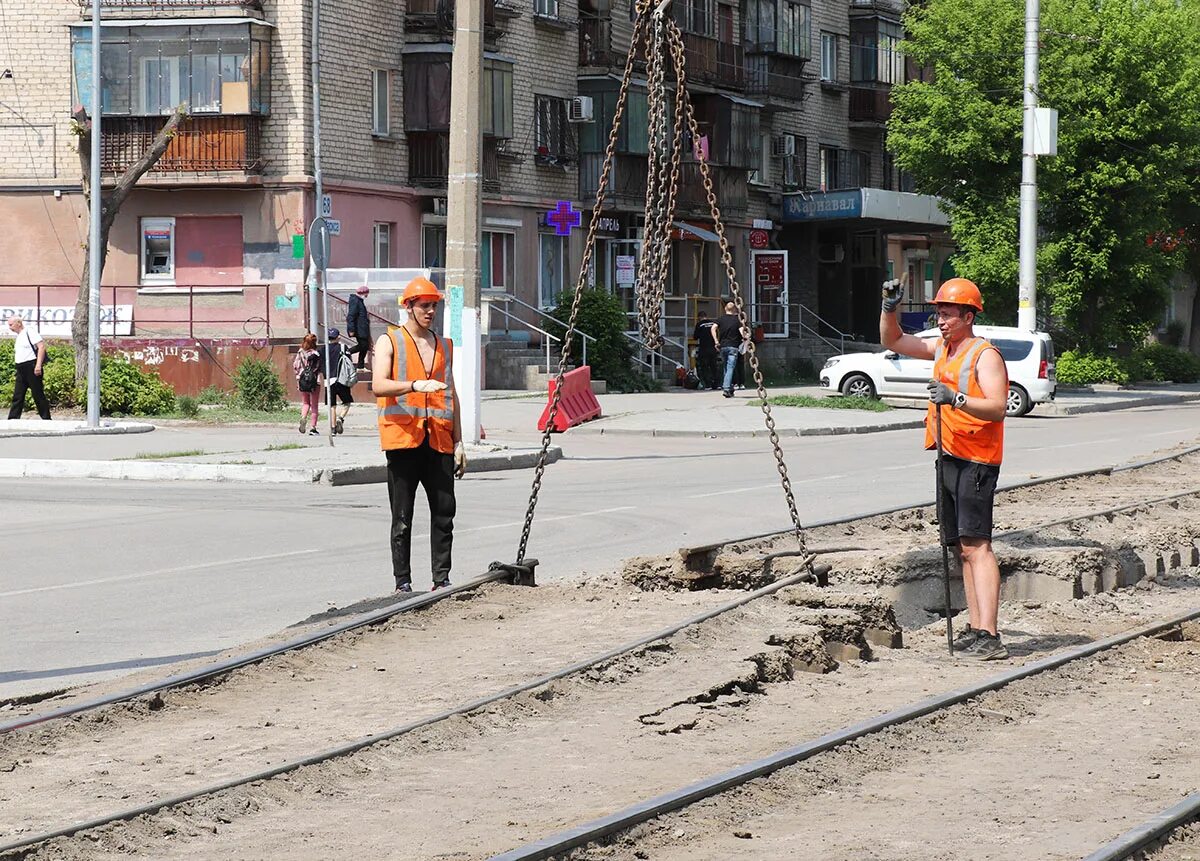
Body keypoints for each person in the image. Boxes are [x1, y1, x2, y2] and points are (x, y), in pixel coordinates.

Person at [880, 277, 1010, 661]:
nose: (941, 320)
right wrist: (889, 306)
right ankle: (975, 627)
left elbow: (998, 406)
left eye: (949, 313)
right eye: (939, 312)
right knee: (960, 548)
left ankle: (990, 635)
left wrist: (956, 398)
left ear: (969, 316)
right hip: (949, 456)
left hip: (977, 460)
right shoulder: (943, 348)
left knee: (977, 546)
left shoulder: (983, 355)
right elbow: (894, 341)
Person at [372, 276, 466, 594]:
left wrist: (460, 441)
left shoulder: (443, 345)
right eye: (424, 305)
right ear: (409, 307)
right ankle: (403, 582)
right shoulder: (390, 341)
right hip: (403, 440)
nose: (430, 311)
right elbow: (378, 385)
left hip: (438, 439)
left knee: (444, 512)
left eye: (434, 306)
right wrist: (413, 385)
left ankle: (442, 579)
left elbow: (451, 395)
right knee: (402, 516)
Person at [7, 315, 51, 421]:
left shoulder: (29, 331)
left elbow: (41, 347)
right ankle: (13, 418)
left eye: (11, 324)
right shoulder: (19, 336)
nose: (9, 327)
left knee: (37, 393)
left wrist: (38, 365)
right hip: (21, 368)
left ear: (18, 323)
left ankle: (46, 418)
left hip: (31, 366)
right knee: (18, 394)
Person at [320, 327, 353, 435]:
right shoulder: (343, 347)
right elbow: (349, 362)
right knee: (347, 402)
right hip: (341, 380)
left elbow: (320, 364)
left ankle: (333, 428)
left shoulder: (323, 350)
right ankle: (340, 418)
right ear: (338, 337)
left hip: (328, 381)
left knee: (332, 406)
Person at [293, 332, 322, 435]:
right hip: (314, 381)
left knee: (305, 403)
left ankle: (303, 418)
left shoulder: (300, 352)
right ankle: (313, 428)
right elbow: (319, 367)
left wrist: (298, 377)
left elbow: (295, 366)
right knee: (314, 405)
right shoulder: (316, 353)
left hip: (302, 380)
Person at [714, 301, 743, 398]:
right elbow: (742, 332)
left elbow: (713, 328)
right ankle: (726, 388)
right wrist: (746, 337)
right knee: (730, 367)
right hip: (733, 347)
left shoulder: (720, 319)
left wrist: (716, 341)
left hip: (723, 346)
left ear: (725, 309)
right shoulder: (737, 320)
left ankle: (730, 388)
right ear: (734, 309)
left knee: (726, 367)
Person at [346, 285, 373, 370]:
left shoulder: (359, 301)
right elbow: (351, 315)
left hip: (362, 329)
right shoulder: (356, 301)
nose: (367, 296)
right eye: (366, 294)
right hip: (359, 329)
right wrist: (351, 329)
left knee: (364, 347)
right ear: (363, 293)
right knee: (363, 346)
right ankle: (347, 351)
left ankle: (360, 366)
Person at [692, 311, 720, 390]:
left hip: (704, 348)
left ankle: (708, 385)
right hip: (713, 348)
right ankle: (717, 384)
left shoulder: (699, 324)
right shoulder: (713, 323)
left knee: (704, 367)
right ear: (706, 316)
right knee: (714, 366)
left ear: (699, 317)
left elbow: (695, 337)